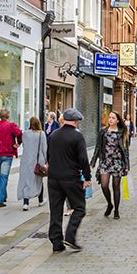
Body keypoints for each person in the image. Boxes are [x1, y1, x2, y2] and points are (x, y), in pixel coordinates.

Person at [46, 108, 91, 252]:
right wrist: (87, 177)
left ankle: (56, 243)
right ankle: (70, 236)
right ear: (76, 122)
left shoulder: (54, 135)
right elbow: (83, 158)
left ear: (64, 120)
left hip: (53, 178)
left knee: (56, 210)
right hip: (71, 178)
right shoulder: (77, 137)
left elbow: (48, 155)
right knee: (79, 208)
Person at [90, 111, 130, 219]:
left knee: (116, 187)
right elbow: (98, 147)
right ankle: (109, 204)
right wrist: (93, 162)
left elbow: (126, 150)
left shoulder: (123, 132)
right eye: (110, 117)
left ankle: (116, 210)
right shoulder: (103, 131)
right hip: (105, 162)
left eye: (113, 118)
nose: (110, 119)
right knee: (104, 185)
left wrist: (127, 165)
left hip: (117, 162)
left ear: (117, 120)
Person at [0, 109, 23, 207]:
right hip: (7, 154)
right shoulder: (11, 126)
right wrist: (18, 143)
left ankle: (3, 195)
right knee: (4, 176)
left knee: (0, 176)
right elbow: (19, 134)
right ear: (8, 116)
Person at [18, 117, 47, 211]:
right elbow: (44, 148)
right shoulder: (41, 134)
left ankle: (26, 203)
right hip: (38, 161)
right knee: (38, 180)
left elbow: (24, 145)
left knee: (27, 180)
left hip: (26, 160)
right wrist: (47, 160)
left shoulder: (25, 133)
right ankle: (40, 200)